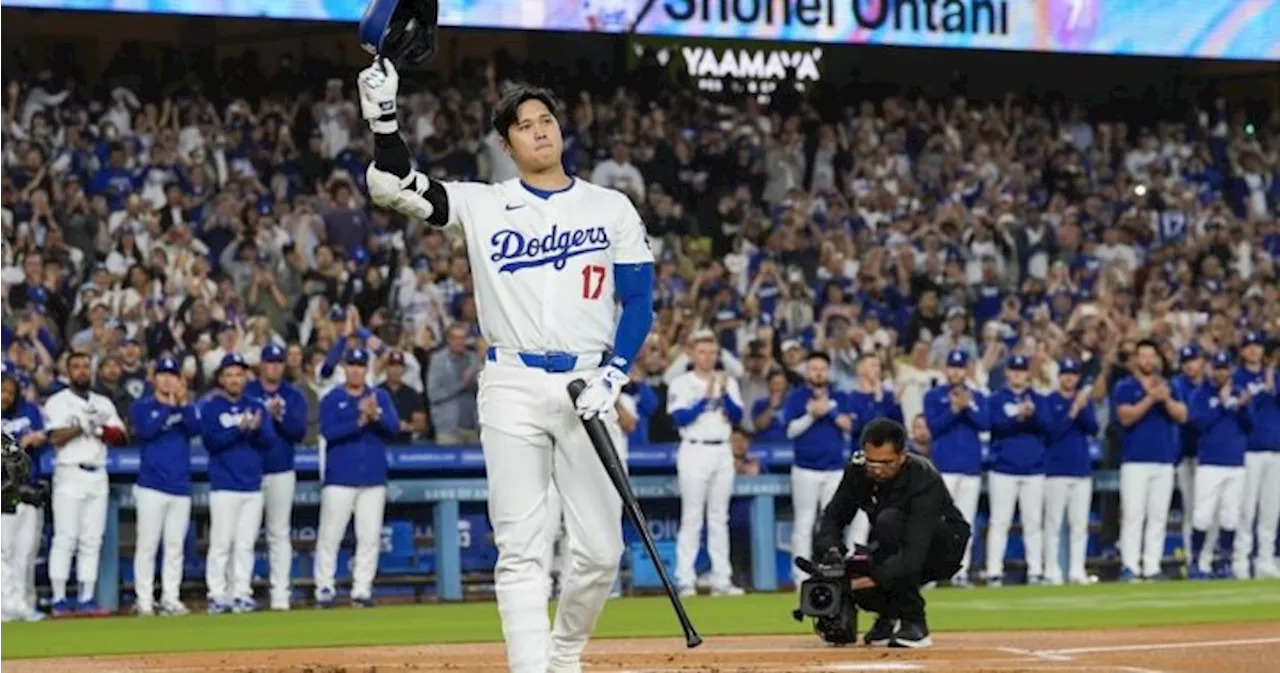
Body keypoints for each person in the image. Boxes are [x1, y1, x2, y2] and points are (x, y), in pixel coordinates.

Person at [358, 56, 655, 673]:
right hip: (512, 382)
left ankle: (566, 650)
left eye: (547, 120)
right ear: (506, 143)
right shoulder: (483, 203)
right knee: (519, 546)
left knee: (601, 552)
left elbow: (641, 300)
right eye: (525, 125)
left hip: (588, 383)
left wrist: (615, 372)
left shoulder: (611, 206)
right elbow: (392, 185)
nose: (541, 130)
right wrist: (382, 118)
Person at [814, 418, 970, 649]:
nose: (877, 470)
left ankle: (915, 623)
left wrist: (874, 577)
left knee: (889, 525)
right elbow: (833, 517)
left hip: (942, 545)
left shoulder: (923, 478)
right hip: (892, 539)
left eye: (886, 463)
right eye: (871, 462)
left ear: (902, 456)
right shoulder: (857, 471)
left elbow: (914, 552)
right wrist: (833, 553)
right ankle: (888, 617)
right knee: (855, 571)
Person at [43, 351, 128, 616]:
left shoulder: (103, 402)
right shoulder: (57, 402)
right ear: (68, 372)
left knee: (92, 540)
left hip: (98, 472)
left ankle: (87, 597)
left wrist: (99, 429)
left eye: (85, 366)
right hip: (70, 472)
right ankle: (58, 599)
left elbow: (122, 435)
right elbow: (55, 437)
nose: (81, 371)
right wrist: (82, 427)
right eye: (76, 367)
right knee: (66, 538)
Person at [315, 347, 400, 608]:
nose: (355, 370)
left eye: (360, 365)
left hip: (372, 477)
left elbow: (394, 429)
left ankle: (362, 590)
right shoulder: (333, 397)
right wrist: (360, 421)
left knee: (369, 536)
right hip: (340, 477)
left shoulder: (380, 396)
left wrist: (376, 416)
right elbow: (329, 432)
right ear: (344, 368)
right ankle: (325, 588)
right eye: (351, 365)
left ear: (366, 369)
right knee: (330, 535)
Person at [668, 330, 746, 597]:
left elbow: (737, 416)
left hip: (722, 450)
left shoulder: (728, 381)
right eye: (702, 352)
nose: (708, 357)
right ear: (692, 354)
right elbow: (680, 418)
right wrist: (706, 396)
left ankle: (721, 579)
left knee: (718, 517)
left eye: (712, 352)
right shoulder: (681, 383)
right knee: (692, 516)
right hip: (694, 449)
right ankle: (685, 579)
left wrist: (722, 393)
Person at [199, 353, 277, 614]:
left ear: (245, 378)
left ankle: (242, 592)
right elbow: (211, 443)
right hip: (224, 484)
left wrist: (254, 429)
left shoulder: (256, 405)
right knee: (221, 543)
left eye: (239, 374)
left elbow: (269, 441)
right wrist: (238, 430)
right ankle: (217, 593)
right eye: (229, 374)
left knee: (245, 543)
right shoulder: (211, 407)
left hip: (251, 484)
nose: (234, 379)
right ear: (221, 379)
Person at [128, 355, 200, 616]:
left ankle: (171, 597)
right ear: (154, 378)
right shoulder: (143, 406)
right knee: (147, 546)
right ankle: (144, 600)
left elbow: (196, 428)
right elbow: (146, 431)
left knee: (174, 547)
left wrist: (183, 405)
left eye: (172, 375)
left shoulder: (184, 408)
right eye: (163, 374)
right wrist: (170, 408)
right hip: (151, 486)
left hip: (179, 486)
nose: (168, 379)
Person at [1111, 339, 1187, 581]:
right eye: (1142, 356)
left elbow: (1182, 415)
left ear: (1157, 359)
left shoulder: (1169, 386)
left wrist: (1165, 399)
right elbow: (1125, 417)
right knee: (1133, 514)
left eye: (1151, 356)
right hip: (1135, 459)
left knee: (1158, 515)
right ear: (1135, 360)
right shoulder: (1125, 386)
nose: (1147, 361)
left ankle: (1152, 565)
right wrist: (1150, 399)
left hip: (1163, 459)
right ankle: (1130, 565)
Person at [245, 343, 309, 611]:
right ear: (261, 365)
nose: (273, 367)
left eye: (278, 362)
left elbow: (298, 432)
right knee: (244, 536)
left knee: (279, 533)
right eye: (269, 362)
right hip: (250, 470)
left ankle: (280, 593)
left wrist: (278, 416)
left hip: (281, 468)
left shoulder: (293, 395)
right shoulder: (248, 392)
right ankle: (240, 591)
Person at [783, 351, 853, 585]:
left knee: (832, 524)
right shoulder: (796, 397)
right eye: (813, 368)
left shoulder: (840, 396)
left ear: (829, 371)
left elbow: (848, 425)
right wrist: (811, 414)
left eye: (822, 368)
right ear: (806, 371)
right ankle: (801, 576)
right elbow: (790, 431)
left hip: (834, 469)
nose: (818, 372)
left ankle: (833, 571)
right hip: (805, 468)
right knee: (804, 522)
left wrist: (829, 410)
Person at [922, 350, 987, 587]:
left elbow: (985, 424)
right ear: (945, 369)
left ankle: (961, 571)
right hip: (944, 467)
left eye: (960, 367)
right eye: (952, 367)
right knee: (937, 521)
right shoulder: (933, 396)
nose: (956, 372)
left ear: (966, 370)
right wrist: (954, 409)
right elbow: (934, 427)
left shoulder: (977, 397)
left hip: (970, 468)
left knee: (965, 522)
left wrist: (968, 406)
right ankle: (930, 572)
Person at [985, 354, 1050, 586]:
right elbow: (992, 425)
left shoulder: (1038, 399)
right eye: (1014, 371)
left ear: (1027, 374)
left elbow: (1048, 425)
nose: (1017, 375)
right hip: (1003, 468)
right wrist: (1017, 417)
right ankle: (994, 571)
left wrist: (1031, 416)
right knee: (999, 522)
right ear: (1007, 373)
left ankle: (1035, 570)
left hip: (1033, 469)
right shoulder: (996, 399)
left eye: (1021, 371)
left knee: (1033, 523)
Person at [1187, 352, 1249, 579]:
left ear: (1230, 370)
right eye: (1217, 367)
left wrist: (1240, 407)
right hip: (1210, 462)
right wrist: (1223, 405)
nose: (1221, 372)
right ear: (1210, 369)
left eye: (1225, 368)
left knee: (1230, 517)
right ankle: (1195, 562)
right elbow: (1199, 423)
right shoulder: (1200, 394)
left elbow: (1249, 425)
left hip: (1235, 461)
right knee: (1202, 515)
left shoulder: (1240, 392)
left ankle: (1224, 562)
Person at [1041, 358, 1098, 586]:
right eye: (1066, 374)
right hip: (1055, 470)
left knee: (1079, 525)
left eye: (1073, 374)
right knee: (1054, 524)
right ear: (1059, 376)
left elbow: (1093, 428)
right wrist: (1073, 412)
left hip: (1081, 469)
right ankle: (1051, 571)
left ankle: (1077, 570)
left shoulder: (1085, 401)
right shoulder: (1049, 401)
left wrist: (1082, 410)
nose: (1069, 378)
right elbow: (1051, 432)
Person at [0, 363, 48, 622]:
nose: (5, 395)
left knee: (26, 552)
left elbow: (42, 436)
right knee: (3, 550)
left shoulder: (29, 411)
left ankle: (22, 602)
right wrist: (21, 444)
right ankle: (7, 605)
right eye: (1, 390)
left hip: (28, 489)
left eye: (9, 390)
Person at [1234, 333, 1280, 579]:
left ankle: (1265, 559)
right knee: (1246, 509)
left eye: (1257, 347)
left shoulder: (1276, 376)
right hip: (1249, 450)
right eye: (1248, 346)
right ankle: (1241, 560)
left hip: (1276, 450)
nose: (1253, 351)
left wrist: (1271, 380)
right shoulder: (1237, 378)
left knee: (1270, 511)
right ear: (1242, 352)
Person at [1170, 345, 1208, 567]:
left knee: (1210, 511)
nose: (1189, 365)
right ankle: (1192, 557)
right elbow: (1187, 416)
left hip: (1210, 455)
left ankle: (1208, 558)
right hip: (1186, 454)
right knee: (1192, 509)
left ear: (1201, 361)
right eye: (1185, 362)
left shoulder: (1210, 384)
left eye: (1192, 360)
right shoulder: (1177, 385)